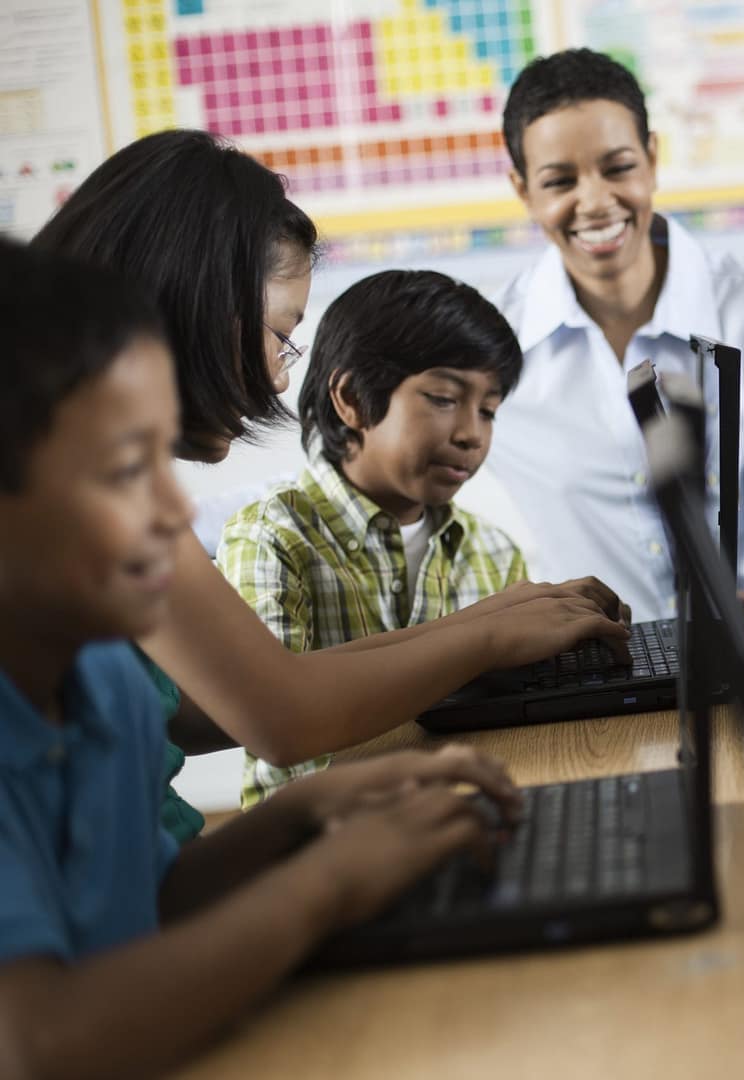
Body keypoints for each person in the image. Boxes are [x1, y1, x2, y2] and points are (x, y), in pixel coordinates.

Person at [0, 240, 515, 1078]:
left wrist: (297, 821)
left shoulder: (103, 680)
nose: (174, 510)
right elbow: (38, 1043)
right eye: (128, 471)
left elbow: (145, 910)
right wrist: (327, 885)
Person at [32, 129, 628, 841]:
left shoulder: (74, 463)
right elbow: (280, 713)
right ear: (196, 305)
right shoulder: (84, 486)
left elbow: (204, 706)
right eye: (280, 336)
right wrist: (490, 637)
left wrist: (487, 620)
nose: (281, 377)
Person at [492, 48, 744, 639]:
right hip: (598, 664)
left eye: (618, 167)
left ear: (652, 160)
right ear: (523, 190)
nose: (596, 200)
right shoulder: (493, 346)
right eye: (559, 181)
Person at [220, 270, 533, 807]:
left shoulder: (496, 553)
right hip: (319, 849)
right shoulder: (270, 538)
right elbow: (276, 733)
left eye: (488, 410)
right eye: (442, 398)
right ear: (352, 399)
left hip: (461, 821)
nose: (471, 433)